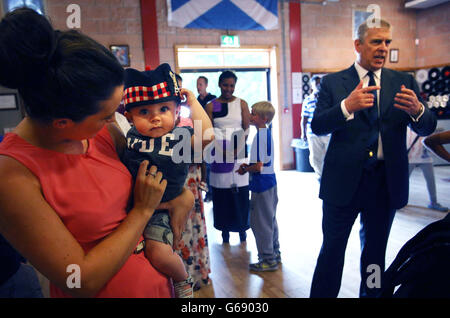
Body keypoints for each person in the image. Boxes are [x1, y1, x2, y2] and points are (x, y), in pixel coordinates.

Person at [0, 8, 173, 298]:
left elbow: (146, 169)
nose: (113, 122)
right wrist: (142, 211)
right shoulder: (12, 174)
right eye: (106, 116)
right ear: (63, 123)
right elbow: (79, 280)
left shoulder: (95, 132)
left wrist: (178, 195)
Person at [309, 18, 437, 298]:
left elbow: (427, 126)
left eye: (387, 42)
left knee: (375, 256)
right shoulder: (334, 83)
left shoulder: (403, 82)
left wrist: (417, 111)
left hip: (384, 184)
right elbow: (317, 125)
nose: (383, 48)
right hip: (342, 184)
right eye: (376, 41)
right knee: (332, 252)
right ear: (358, 44)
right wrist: (345, 107)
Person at [122, 64, 213, 298]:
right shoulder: (131, 138)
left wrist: (193, 102)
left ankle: (183, 280)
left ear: (175, 112)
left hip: (162, 211)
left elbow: (207, 136)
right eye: (144, 112)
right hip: (133, 208)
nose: (155, 118)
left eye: (163, 109)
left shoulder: (177, 138)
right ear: (129, 117)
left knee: (159, 253)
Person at [205, 70, 251, 244]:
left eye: (232, 85)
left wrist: (235, 149)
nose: (228, 89)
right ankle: (224, 231)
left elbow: (246, 129)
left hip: (238, 152)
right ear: (219, 84)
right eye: (225, 85)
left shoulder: (241, 104)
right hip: (218, 152)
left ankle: (242, 231)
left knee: (240, 193)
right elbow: (208, 131)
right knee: (221, 194)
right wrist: (220, 150)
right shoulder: (212, 105)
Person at [237, 102, 280, 272]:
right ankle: (275, 254)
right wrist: (248, 166)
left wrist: (245, 169)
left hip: (261, 185)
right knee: (270, 220)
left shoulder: (260, 136)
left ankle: (268, 259)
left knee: (260, 223)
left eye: (253, 114)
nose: (250, 116)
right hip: (270, 182)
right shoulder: (266, 133)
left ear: (264, 118)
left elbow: (258, 166)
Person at [407, 128, 448, 212]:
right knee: (403, 182)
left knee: (431, 181)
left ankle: (433, 202)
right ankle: (398, 201)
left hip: (425, 158)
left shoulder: (427, 124)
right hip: (410, 158)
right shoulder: (408, 127)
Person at [300, 75, 330, 179]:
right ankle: (321, 177)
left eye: (320, 83)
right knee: (315, 158)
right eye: (316, 83)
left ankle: (328, 176)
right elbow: (304, 119)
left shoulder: (328, 98)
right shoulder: (307, 100)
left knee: (331, 157)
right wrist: (303, 133)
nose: (319, 85)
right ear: (311, 85)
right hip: (312, 134)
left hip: (328, 133)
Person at [197, 76, 216, 202]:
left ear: (206, 85)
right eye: (197, 84)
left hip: (211, 133)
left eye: (201, 84)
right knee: (203, 162)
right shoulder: (196, 101)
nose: (198, 87)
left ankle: (212, 192)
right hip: (200, 133)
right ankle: (206, 189)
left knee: (210, 163)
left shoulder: (213, 99)